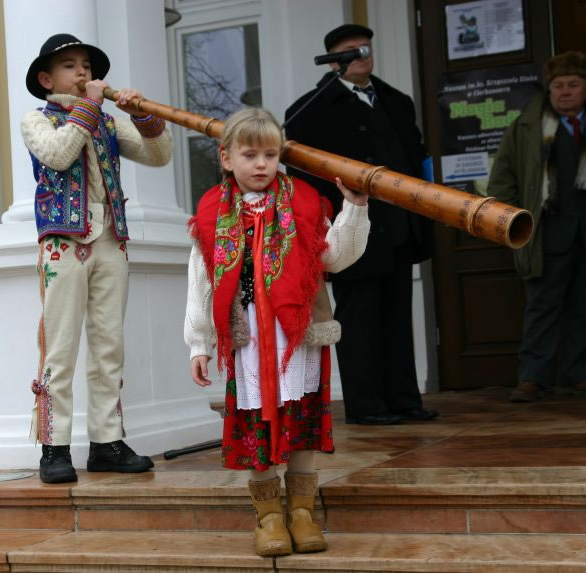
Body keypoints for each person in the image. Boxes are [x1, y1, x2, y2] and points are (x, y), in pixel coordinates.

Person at [184, 107, 369, 556]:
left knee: (301, 419)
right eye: (250, 155)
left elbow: (336, 256)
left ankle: (302, 513)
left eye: (270, 154)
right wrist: (199, 342)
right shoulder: (212, 212)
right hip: (247, 337)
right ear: (227, 158)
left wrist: (355, 208)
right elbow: (201, 281)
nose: (261, 164)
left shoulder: (305, 202)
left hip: (296, 335)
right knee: (255, 426)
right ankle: (268, 518)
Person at [21, 34, 172, 483]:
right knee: (60, 347)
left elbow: (158, 155)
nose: (83, 72)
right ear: (47, 79)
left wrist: (141, 115)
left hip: (110, 238)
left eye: (86, 64)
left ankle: (107, 442)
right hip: (63, 242)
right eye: (70, 65)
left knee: (109, 345)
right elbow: (58, 154)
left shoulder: (106, 121)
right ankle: (54, 447)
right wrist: (89, 106)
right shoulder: (36, 119)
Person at [284, 24, 438, 425]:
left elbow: (416, 157)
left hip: (399, 227)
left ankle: (404, 399)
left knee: (397, 316)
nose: (361, 55)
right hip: (351, 230)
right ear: (333, 61)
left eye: (365, 48)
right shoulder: (310, 108)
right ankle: (366, 405)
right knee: (360, 319)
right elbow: (303, 177)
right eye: (350, 50)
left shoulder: (397, 101)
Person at [488, 51, 586, 402]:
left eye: (573, 84)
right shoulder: (526, 127)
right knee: (542, 308)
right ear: (549, 90)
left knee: (584, 308)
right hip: (544, 235)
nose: (565, 92)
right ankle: (532, 378)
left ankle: (576, 375)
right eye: (559, 85)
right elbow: (502, 178)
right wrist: (512, 220)